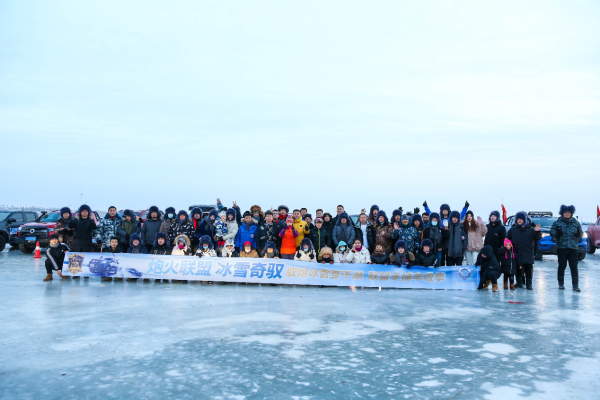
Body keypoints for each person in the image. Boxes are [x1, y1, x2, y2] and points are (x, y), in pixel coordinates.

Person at [550, 205, 583, 291]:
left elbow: (580, 233)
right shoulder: (557, 223)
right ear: (562, 213)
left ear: (571, 213)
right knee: (562, 266)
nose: (567, 214)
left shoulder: (576, 223)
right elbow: (552, 232)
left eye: (569, 212)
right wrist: (557, 233)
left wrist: (578, 235)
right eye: (565, 212)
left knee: (574, 266)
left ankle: (575, 285)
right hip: (562, 248)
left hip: (573, 248)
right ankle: (561, 283)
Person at [506, 211, 541, 290]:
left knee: (528, 269)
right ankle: (519, 283)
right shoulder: (513, 229)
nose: (519, 220)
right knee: (518, 269)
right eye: (518, 219)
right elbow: (507, 239)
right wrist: (507, 245)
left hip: (528, 253)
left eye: (521, 219)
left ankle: (529, 284)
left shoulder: (530, 230)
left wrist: (537, 231)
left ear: (524, 220)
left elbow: (538, 238)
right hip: (516, 252)